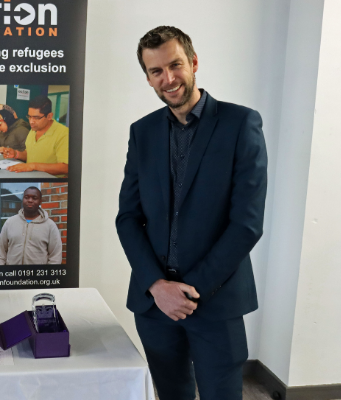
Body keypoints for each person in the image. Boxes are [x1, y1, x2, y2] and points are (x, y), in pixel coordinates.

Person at [115, 26, 267, 400]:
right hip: (155, 307)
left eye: (175, 65)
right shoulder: (142, 132)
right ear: (148, 77)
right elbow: (128, 218)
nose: (168, 79)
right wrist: (157, 286)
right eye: (156, 71)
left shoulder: (240, 124)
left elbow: (246, 225)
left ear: (193, 62)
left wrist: (188, 292)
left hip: (216, 303)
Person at [3, 96, 69, 177]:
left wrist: (33, 166)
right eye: (29, 116)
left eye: (36, 118)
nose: (31, 121)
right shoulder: (34, 129)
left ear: (49, 116)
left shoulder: (63, 133)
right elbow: (30, 154)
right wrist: (16, 154)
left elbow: (65, 167)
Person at [0, 187, 62, 265]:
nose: (30, 200)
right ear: (23, 199)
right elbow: (1, 252)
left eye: (34, 198)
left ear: (40, 201)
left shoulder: (50, 225)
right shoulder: (10, 222)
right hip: (12, 275)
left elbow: (55, 256)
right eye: (26, 197)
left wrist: (48, 276)